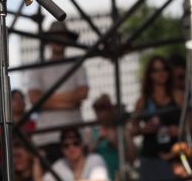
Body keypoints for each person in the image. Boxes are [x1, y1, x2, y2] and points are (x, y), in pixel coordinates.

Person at [27, 21, 89, 164]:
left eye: (61, 36)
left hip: (74, 136)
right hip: (46, 138)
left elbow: (82, 93)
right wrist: (70, 102)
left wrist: (48, 98)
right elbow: (34, 98)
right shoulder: (38, 67)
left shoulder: (76, 64)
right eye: (55, 36)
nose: (58, 40)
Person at [131, 55, 183, 181]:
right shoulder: (142, 101)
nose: (161, 73)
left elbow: (191, 124)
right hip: (151, 157)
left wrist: (179, 130)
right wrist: (144, 130)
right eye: (156, 70)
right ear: (150, 75)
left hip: (176, 157)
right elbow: (133, 130)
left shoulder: (178, 96)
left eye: (164, 69)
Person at [85, 93, 134, 181]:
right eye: (97, 110)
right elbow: (86, 159)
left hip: (119, 176)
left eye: (103, 109)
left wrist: (116, 144)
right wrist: (97, 142)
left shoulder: (122, 130)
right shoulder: (91, 132)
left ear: (110, 110)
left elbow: (132, 159)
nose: (100, 114)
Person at [42, 128, 109, 181]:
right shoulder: (60, 165)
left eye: (75, 143)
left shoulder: (95, 159)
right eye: (66, 145)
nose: (71, 148)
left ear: (82, 144)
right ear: (62, 150)